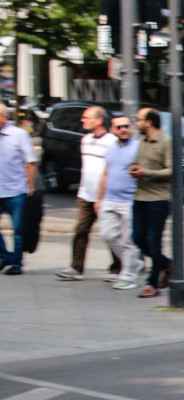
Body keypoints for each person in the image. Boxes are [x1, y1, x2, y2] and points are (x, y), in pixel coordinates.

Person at [55, 106, 120, 282]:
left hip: (105, 196)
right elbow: (87, 168)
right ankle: (76, 268)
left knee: (110, 233)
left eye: (86, 117)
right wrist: (82, 188)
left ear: (99, 120)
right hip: (85, 194)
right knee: (81, 231)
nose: (83, 120)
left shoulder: (112, 142)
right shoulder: (85, 140)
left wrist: (103, 196)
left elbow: (113, 170)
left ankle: (117, 268)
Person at [128, 109, 172, 299]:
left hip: (159, 199)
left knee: (154, 241)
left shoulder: (165, 142)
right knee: (138, 238)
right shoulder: (141, 143)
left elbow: (171, 170)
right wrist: (134, 169)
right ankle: (166, 264)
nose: (135, 123)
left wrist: (146, 173)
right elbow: (137, 162)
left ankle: (152, 284)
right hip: (140, 198)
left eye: (138, 120)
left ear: (149, 122)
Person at [95, 115, 142, 290]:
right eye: (119, 127)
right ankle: (133, 263)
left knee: (129, 240)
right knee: (107, 235)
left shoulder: (138, 147)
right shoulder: (111, 148)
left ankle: (128, 276)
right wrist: (100, 198)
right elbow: (105, 173)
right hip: (109, 199)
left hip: (130, 200)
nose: (123, 129)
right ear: (112, 130)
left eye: (126, 126)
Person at [0, 103, 36, 276]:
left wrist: (30, 185)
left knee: (18, 230)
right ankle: (3, 256)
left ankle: (17, 263)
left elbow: (30, 162)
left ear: (4, 117)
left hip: (16, 191)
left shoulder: (19, 135)